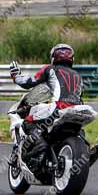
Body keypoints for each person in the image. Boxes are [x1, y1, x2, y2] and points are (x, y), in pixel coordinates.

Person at [9, 44, 83, 173]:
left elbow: (28, 82)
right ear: (72, 58)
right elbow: (79, 98)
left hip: (57, 109)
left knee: (28, 122)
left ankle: (40, 144)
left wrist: (15, 76)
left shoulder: (49, 69)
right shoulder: (78, 76)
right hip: (76, 111)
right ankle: (85, 148)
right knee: (78, 131)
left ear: (53, 57)